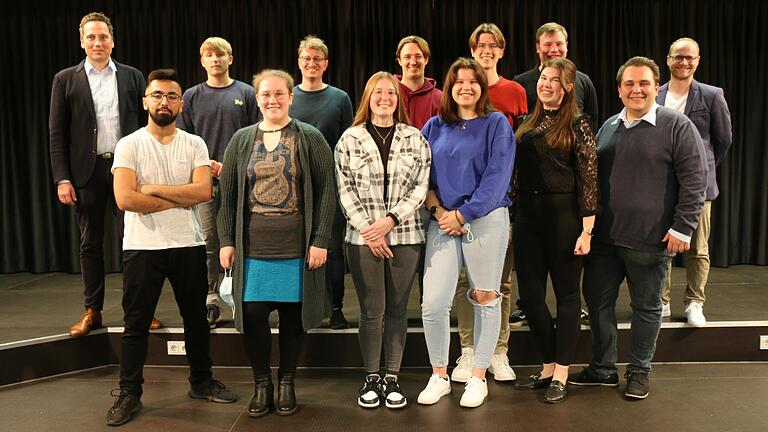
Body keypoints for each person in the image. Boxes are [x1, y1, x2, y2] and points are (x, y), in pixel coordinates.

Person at [569, 57, 707, 400]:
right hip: (604, 239)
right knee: (599, 305)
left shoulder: (677, 125)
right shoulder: (608, 127)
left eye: (644, 83)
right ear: (619, 90)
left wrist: (683, 227)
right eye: (629, 84)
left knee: (646, 309)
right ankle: (602, 369)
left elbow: (694, 180)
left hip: (651, 239)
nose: (636, 89)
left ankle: (639, 371)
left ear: (655, 86)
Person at [106, 69, 237, 426]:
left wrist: (150, 189)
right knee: (135, 325)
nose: (165, 101)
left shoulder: (194, 143)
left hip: (188, 245)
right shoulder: (129, 144)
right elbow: (124, 198)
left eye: (172, 96)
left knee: (196, 321)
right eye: (158, 95)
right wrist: (176, 197)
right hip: (141, 248)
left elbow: (204, 192)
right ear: (145, 101)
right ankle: (129, 393)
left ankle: (201, 381)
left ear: (181, 103)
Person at [217, 69, 336, 418]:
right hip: (253, 249)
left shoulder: (310, 137)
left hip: (296, 248)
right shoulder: (241, 140)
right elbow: (226, 195)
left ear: (290, 97)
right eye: (266, 94)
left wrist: (319, 239)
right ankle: (261, 384)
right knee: (253, 316)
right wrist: (226, 239)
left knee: (292, 319)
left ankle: (286, 382)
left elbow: (327, 190)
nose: (273, 100)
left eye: (279, 94)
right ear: (257, 98)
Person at [49, 11, 161, 336]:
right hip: (87, 173)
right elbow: (57, 133)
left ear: (113, 40)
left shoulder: (132, 76)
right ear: (82, 41)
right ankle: (92, 310)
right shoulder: (65, 79)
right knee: (90, 244)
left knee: (135, 244)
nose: (98, 42)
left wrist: (148, 171)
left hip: (127, 171)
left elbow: (146, 127)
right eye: (91, 37)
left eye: (103, 36)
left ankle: (138, 311)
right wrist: (62, 178)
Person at [418, 58, 515, 408]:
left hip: (485, 219)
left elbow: (497, 177)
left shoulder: (496, 123)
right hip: (442, 221)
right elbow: (422, 179)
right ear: (449, 87)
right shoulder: (433, 126)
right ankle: (439, 375)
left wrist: (463, 213)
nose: (465, 87)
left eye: (472, 81)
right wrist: (440, 212)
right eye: (458, 82)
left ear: (481, 87)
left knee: (486, 298)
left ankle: (478, 377)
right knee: (433, 303)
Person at [336, 72, 431, 410]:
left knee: (396, 310)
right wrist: (369, 229)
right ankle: (371, 377)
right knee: (371, 311)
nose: (385, 98)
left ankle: (392, 378)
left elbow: (421, 187)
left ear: (398, 99)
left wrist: (389, 222)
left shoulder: (415, 138)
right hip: (362, 241)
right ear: (368, 98)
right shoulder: (350, 139)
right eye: (378, 92)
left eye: (391, 92)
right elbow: (344, 190)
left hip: (405, 237)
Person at [511, 58, 598, 404]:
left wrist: (587, 229)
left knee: (566, 296)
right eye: (543, 78)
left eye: (554, 80)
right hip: (528, 219)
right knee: (530, 297)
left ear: (567, 87)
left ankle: (562, 371)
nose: (546, 84)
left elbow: (589, 177)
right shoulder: (526, 122)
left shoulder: (579, 124)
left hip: (565, 217)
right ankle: (547, 366)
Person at [450, 22, 528, 384]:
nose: (486, 50)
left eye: (493, 45)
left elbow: (514, 155)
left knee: (501, 283)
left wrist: (504, 209)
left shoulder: (514, 92)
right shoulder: (457, 92)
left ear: (501, 50)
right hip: (460, 208)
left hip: (499, 203)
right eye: (480, 44)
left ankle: (498, 351)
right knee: (466, 280)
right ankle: (468, 350)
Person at [176, 36, 258, 328]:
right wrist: (204, 168)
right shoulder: (192, 96)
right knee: (210, 242)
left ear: (230, 59)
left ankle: (247, 298)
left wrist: (233, 167)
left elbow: (258, 137)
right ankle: (211, 299)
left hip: (244, 182)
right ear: (202, 61)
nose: (215, 60)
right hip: (205, 184)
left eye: (220, 55)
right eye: (209, 55)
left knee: (245, 238)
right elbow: (182, 140)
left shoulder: (246, 93)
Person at [657, 38, 733, 326]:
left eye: (690, 58)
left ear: (698, 61)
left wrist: (702, 166)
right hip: (662, 184)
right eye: (678, 57)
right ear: (668, 59)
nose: (684, 62)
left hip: (699, 186)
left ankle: (694, 302)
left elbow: (723, 139)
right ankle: (661, 301)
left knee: (698, 248)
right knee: (661, 248)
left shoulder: (712, 95)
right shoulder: (657, 94)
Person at [289, 35, 354, 330]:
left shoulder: (339, 98)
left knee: (331, 249)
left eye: (317, 59)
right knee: (297, 247)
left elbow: (349, 142)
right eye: (307, 58)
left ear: (325, 64)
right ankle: (303, 309)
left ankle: (336, 308)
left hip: (331, 184)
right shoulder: (288, 96)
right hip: (292, 186)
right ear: (299, 62)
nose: (312, 63)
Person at [395, 35, 442, 130]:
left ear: (426, 59)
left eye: (418, 56)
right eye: (407, 57)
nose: (413, 62)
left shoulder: (439, 98)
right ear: (399, 60)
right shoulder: (389, 93)